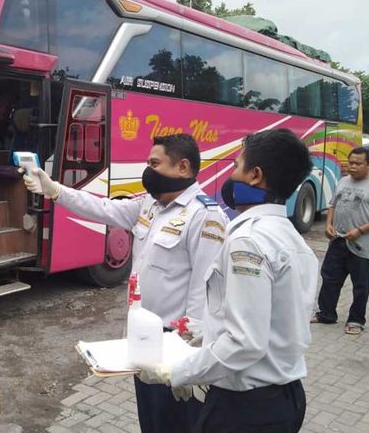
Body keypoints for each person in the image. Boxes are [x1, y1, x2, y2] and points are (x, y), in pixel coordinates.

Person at [23, 134, 228, 433]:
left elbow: (205, 291)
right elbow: (104, 209)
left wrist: (189, 355)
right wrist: (54, 190)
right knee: (150, 419)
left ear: (183, 167)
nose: (148, 170)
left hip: (174, 346)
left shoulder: (205, 216)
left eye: (154, 163)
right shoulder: (150, 205)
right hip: (142, 337)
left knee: (175, 423)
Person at [139, 128, 317, 433]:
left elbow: (245, 343)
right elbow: (270, 319)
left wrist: (177, 372)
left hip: (246, 408)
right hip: (285, 397)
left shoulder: (247, 240)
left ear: (255, 176)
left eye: (236, 165)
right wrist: (202, 330)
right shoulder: (291, 238)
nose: (230, 175)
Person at [313, 146, 369, 335]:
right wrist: (328, 225)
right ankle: (326, 314)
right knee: (330, 279)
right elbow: (333, 204)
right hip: (338, 241)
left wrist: (360, 230)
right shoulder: (342, 181)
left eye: (358, 163)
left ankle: (356, 320)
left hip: (361, 245)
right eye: (351, 163)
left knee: (360, 285)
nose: (353, 167)